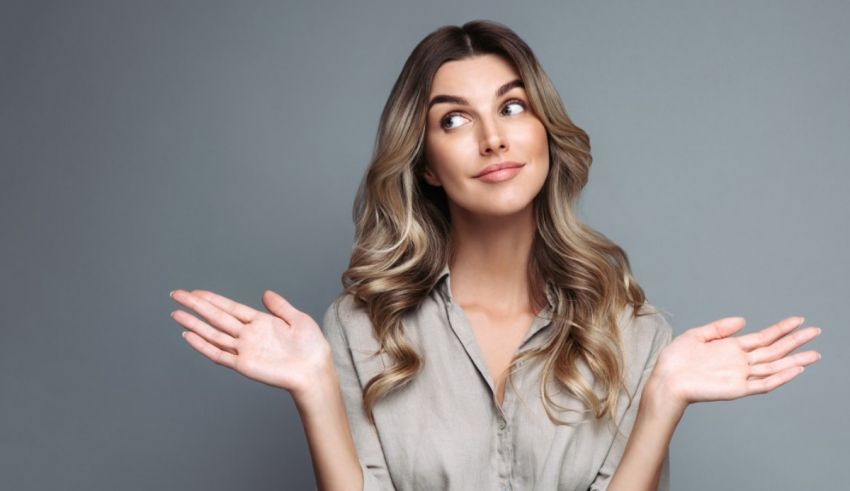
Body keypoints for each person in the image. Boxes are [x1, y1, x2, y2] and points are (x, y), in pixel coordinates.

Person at [168, 19, 822, 491]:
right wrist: (314, 388)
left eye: (512, 107)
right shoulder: (359, 329)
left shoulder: (631, 332)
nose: (492, 139)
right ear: (425, 163)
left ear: (544, 133)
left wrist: (664, 398)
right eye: (453, 119)